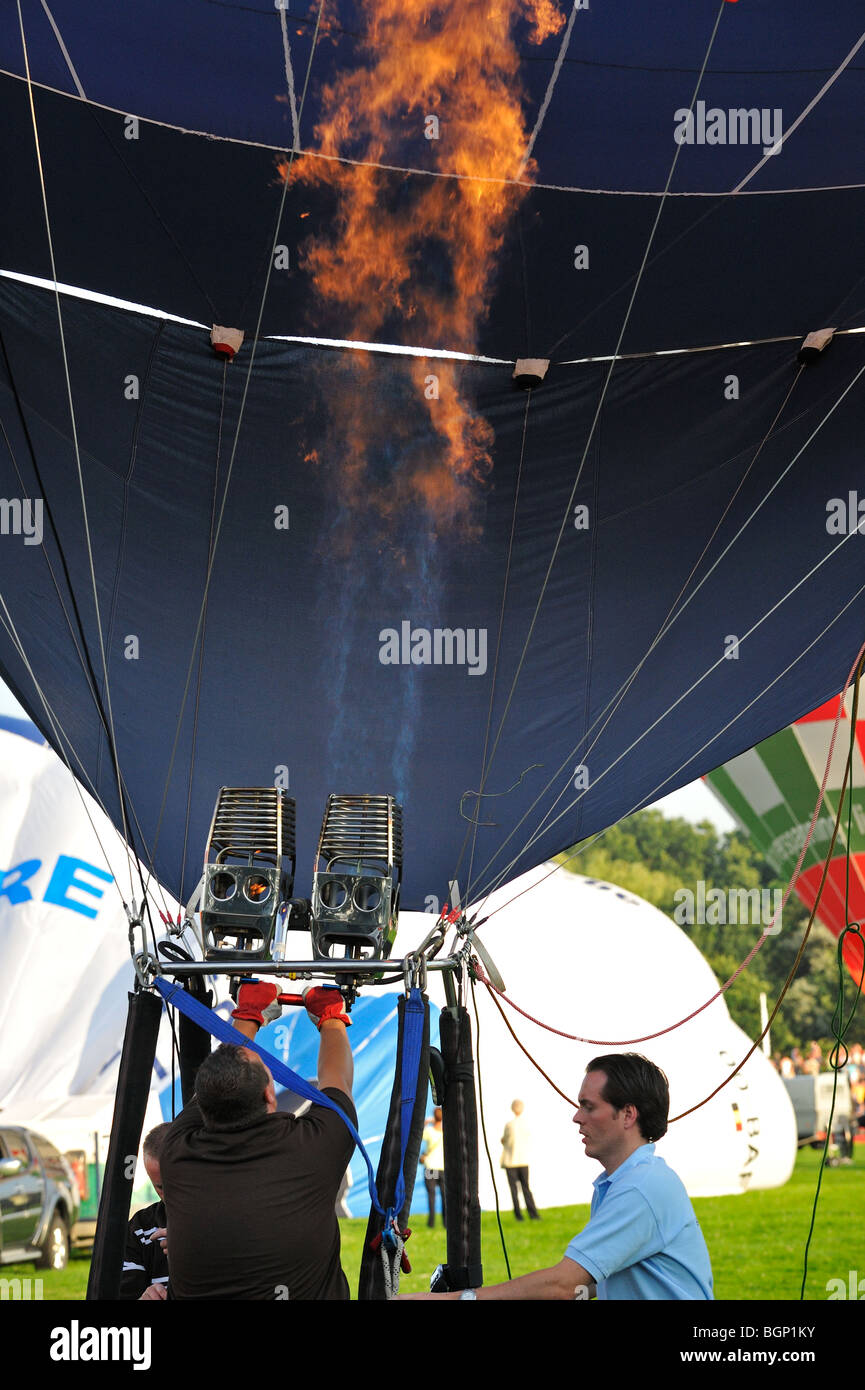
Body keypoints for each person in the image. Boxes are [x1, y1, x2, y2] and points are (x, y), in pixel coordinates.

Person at [399, 1053, 713, 1301]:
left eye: (589, 1107)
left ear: (628, 1115)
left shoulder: (640, 1187)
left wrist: (458, 1299)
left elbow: (564, 1285)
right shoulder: (624, 1181)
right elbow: (588, 1286)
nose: (577, 1117)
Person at [159, 980, 356, 1299]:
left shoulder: (178, 1152)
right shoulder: (314, 1147)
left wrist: (249, 1012)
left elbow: (214, 1086)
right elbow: (337, 1080)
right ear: (270, 1093)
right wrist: (331, 1015)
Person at [120, 1122, 171, 1301]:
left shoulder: (223, 1220)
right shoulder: (140, 1229)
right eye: (161, 1187)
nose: (170, 1195)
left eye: (177, 1183)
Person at [500, 1099, 540, 1221]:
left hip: (511, 1161)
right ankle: (533, 1214)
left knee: (514, 1190)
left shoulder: (509, 1125)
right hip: (523, 1160)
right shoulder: (526, 1124)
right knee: (526, 1188)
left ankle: (518, 1216)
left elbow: (505, 1140)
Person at [420, 1106, 446, 1228]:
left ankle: (431, 1223)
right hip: (444, 1168)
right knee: (445, 1196)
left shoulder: (429, 1131)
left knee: (431, 1196)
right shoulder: (447, 1131)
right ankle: (446, 1223)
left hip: (430, 1167)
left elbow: (418, 1135)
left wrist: (426, 1123)